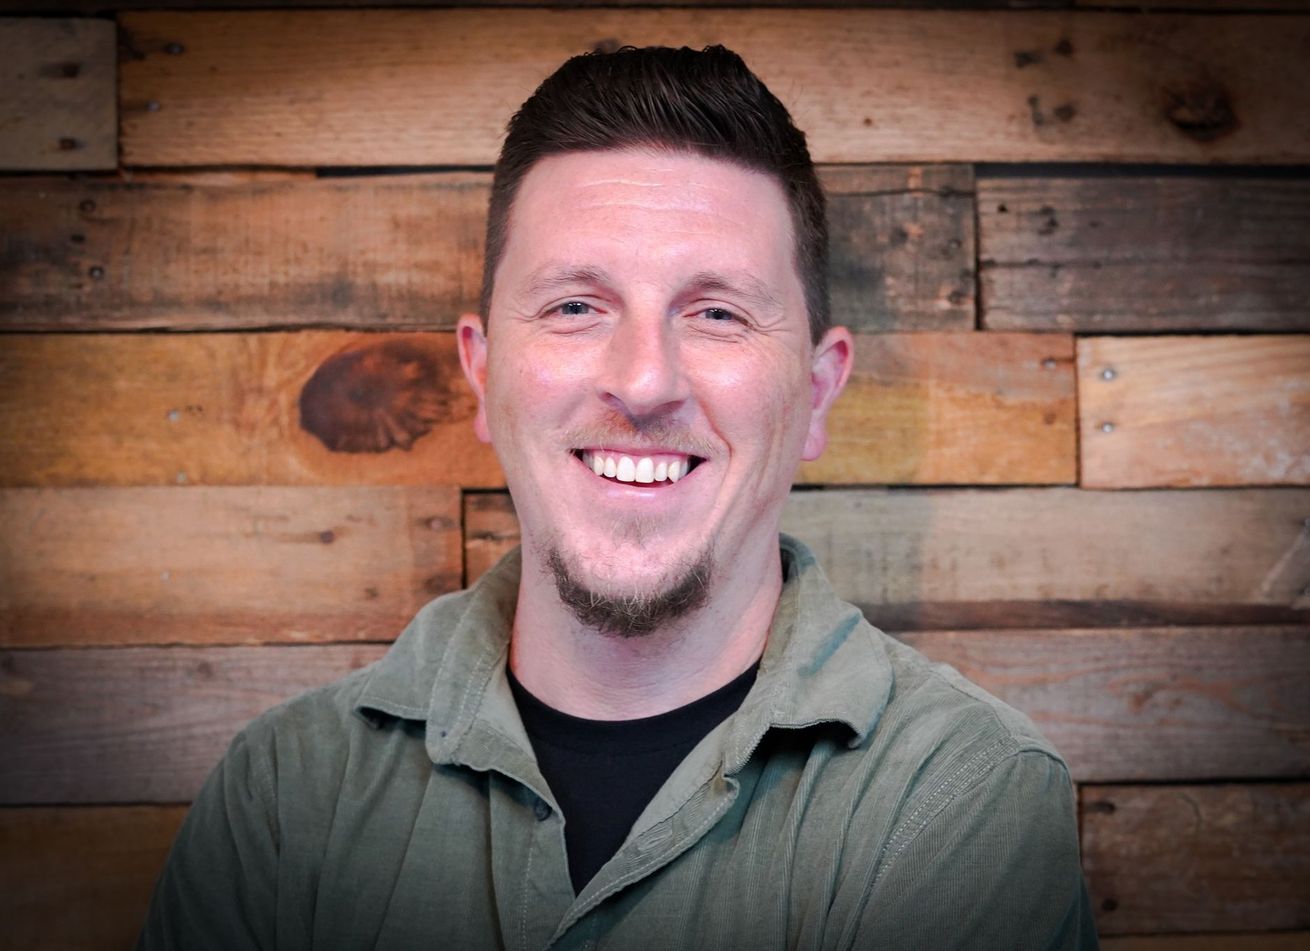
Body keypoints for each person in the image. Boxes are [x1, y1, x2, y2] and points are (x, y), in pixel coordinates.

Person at [139, 45, 1097, 950]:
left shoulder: (964, 798)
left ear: (817, 392)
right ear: (482, 374)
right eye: (575, 307)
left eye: (717, 312)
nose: (644, 382)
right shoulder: (280, 797)